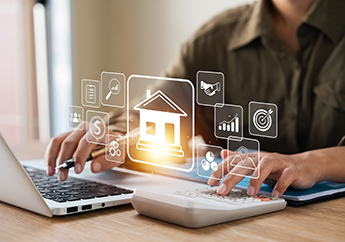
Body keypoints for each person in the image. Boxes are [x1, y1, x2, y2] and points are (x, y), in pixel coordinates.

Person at [45, 0, 345, 198]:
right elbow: (160, 108)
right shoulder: (213, 42)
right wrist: (116, 136)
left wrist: (310, 162)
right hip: (236, 222)